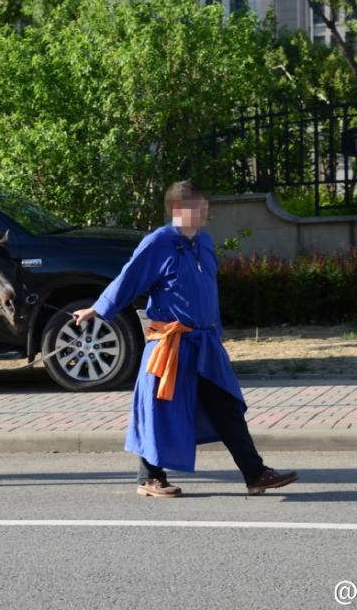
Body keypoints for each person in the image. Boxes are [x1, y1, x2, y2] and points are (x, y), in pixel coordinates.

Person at [72, 181, 298, 497]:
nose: (205, 209)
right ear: (179, 210)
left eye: (205, 203)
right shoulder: (158, 242)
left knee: (226, 405)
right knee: (160, 409)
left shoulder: (204, 241)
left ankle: (255, 473)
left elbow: (208, 291)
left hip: (204, 344)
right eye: (198, 204)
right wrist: (97, 309)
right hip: (170, 345)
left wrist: (215, 332)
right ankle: (149, 478)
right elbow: (129, 278)